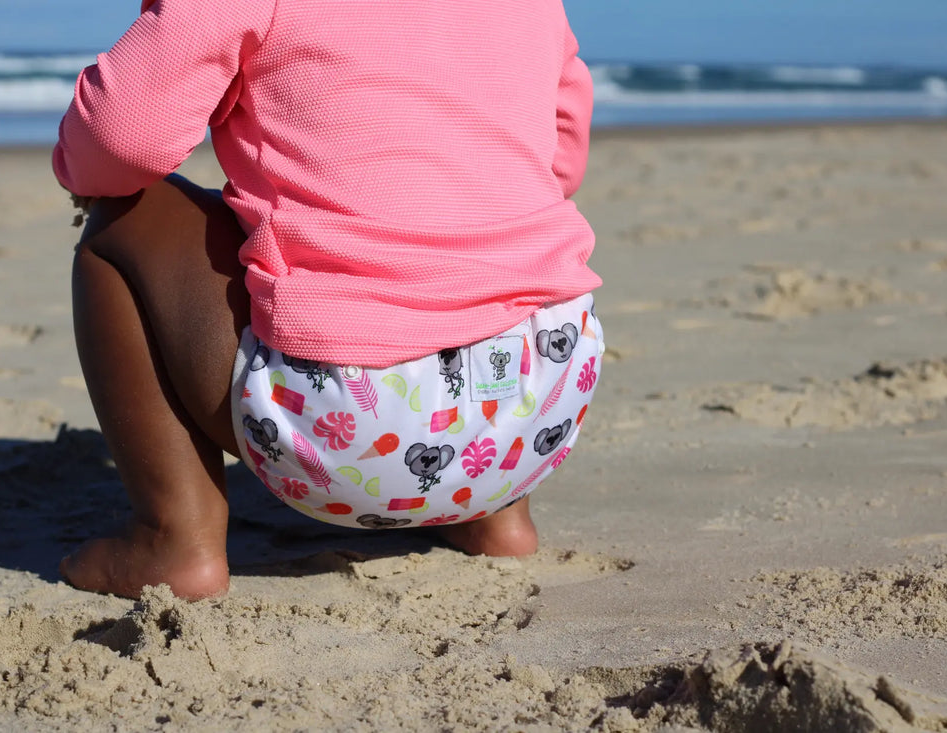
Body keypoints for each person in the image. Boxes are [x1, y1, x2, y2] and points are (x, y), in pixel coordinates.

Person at [54, 0, 604, 600]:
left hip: (347, 433)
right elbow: (561, 158)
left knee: (120, 223)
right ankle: (497, 517)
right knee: (488, 242)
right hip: (542, 401)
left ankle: (173, 537)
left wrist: (81, 174)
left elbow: (121, 135)